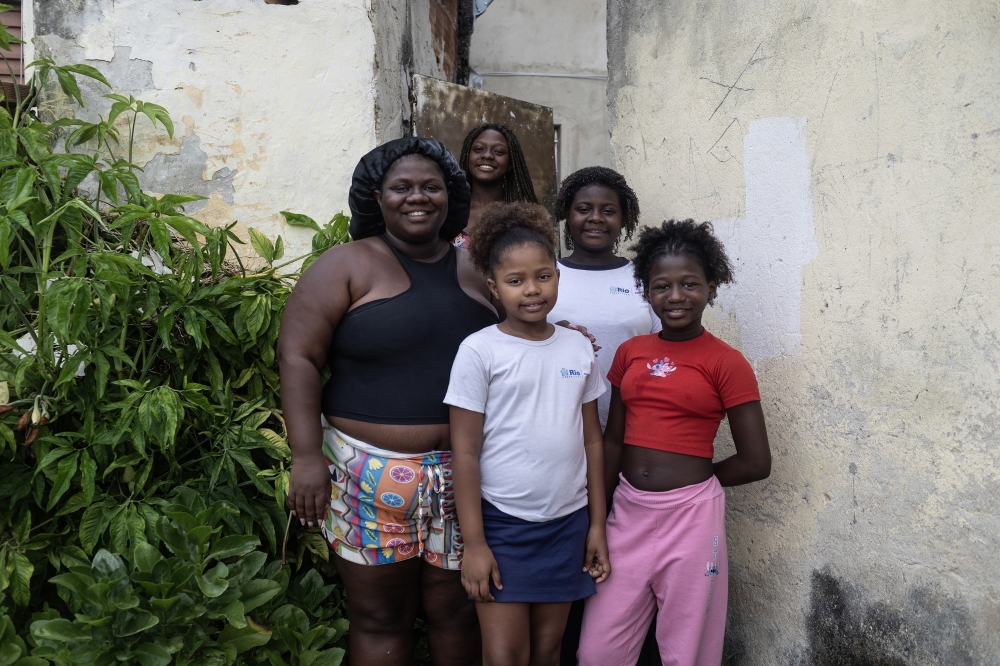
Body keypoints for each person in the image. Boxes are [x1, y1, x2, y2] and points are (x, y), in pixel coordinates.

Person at [277, 137, 498, 665]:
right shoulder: (347, 265)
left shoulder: (477, 268)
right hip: (365, 475)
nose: (417, 198)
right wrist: (305, 457)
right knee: (380, 618)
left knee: (461, 611)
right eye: (402, 188)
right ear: (377, 197)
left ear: (451, 196)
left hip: (463, 478)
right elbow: (298, 357)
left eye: (431, 187)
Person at [577, 219, 772, 666]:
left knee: (688, 650)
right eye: (662, 286)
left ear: (712, 287)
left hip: (691, 518)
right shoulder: (632, 353)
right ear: (646, 291)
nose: (676, 296)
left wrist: (693, 483)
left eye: (690, 284)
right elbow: (612, 442)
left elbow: (756, 461)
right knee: (598, 651)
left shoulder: (726, 362)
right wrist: (598, 515)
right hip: (626, 512)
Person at [445, 202, 612, 666]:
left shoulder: (578, 346)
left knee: (547, 650)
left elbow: (592, 440)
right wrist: (475, 544)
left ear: (558, 276)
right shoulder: (479, 351)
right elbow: (464, 453)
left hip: (567, 523)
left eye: (543, 276)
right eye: (516, 281)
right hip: (501, 525)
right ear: (494, 287)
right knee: (504, 655)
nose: (532, 290)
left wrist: (596, 525)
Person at [546, 167, 661, 665]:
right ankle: (574, 650)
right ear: (567, 215)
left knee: (627, 557)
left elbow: (665, 345)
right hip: (559, 440)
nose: (595, 218)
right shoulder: (546, 272)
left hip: (633, 440)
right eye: (584, 208)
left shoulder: (643, 277)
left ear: (625, 218)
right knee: (574, 552)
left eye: (608, 209)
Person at [453, 123, 538, 249]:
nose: (487, 155)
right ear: (467, 156)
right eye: (478, 149)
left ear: (510, 163)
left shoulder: (523, 218)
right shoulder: (449, 210)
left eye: (498, 151)